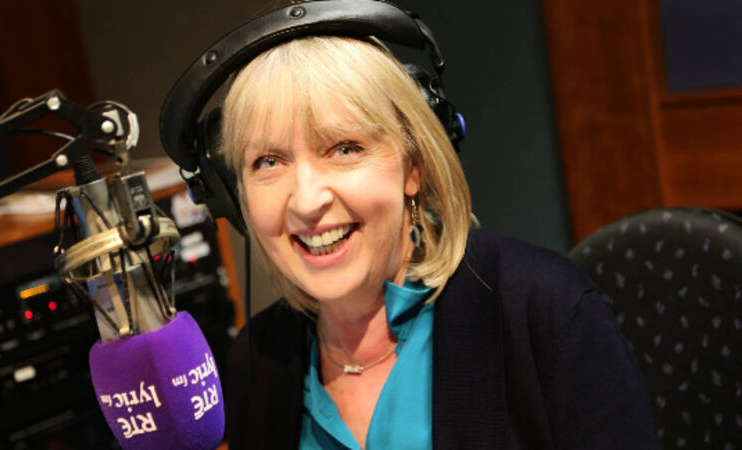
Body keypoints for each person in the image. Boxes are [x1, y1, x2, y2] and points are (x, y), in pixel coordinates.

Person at [220, 25, 659, 450]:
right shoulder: (254, 362)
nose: (306, 201)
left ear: (413, 167)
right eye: (268, 161)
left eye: (345, 149)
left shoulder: (545, 309)